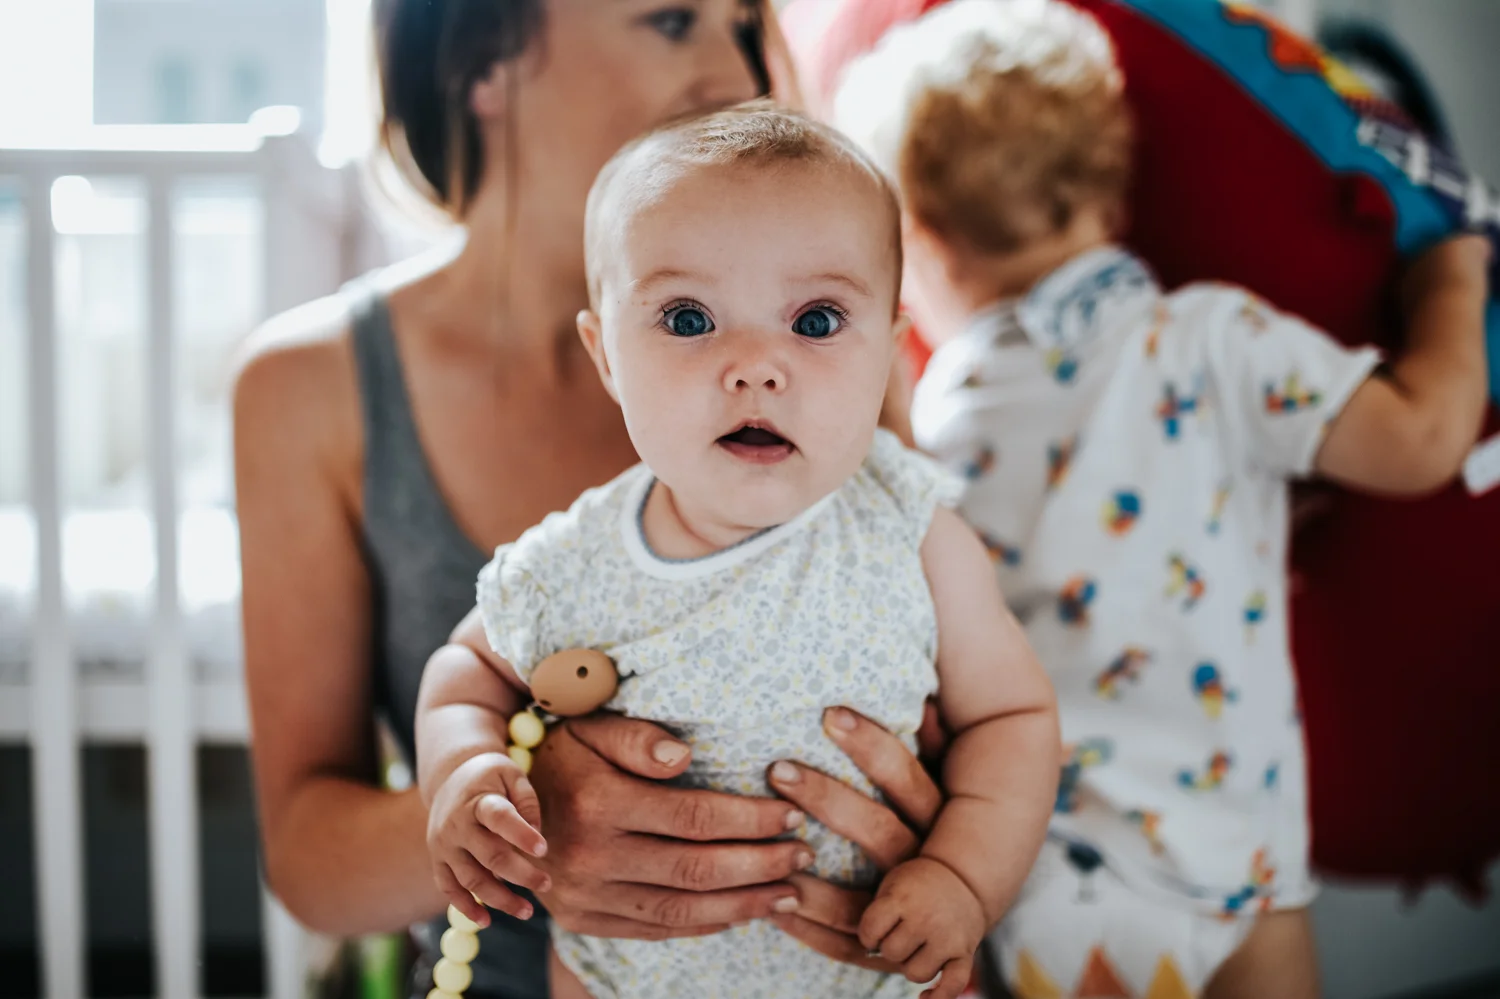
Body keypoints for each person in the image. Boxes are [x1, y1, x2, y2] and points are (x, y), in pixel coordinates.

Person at [232, 3, 951, 997]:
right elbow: (307, 863)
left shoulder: (826, 367)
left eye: (744, 31)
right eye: (670, 21)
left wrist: (939, 840)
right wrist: (527, 817)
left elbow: (956, 706)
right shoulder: (314, 389)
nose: (732, 75)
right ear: (482, 59)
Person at [832, 2, 1493, 996]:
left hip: (1036, 875)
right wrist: (1453, 277)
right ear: (1110, 194)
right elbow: (1422, 442)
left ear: (918, 244)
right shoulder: (1212, 342)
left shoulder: (940, 423)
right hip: (1236, 865)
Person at [416, 103, 1059, 999]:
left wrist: (962, 875)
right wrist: (460, 771)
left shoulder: (910, 529)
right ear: (607, 358)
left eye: (819, 319)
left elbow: (1013, 722)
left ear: (890, 347)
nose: (757, 365)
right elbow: (464, 670)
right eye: (687, 319)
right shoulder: (569, 562)